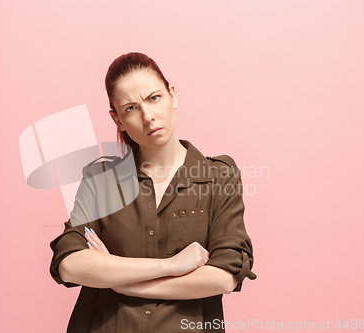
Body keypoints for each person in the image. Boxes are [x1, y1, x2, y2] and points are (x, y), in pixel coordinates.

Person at [49, 52, 257, 333]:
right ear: (118, 119)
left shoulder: (219, 175)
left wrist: (117, 278)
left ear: (172, 95)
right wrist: (171, 266)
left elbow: (222, 277)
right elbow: (70, 264)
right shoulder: (100, 179)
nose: (148, 117)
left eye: (154, 98)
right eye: (131, 108)